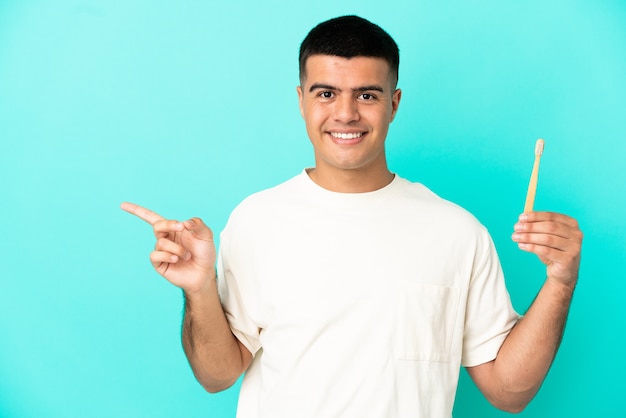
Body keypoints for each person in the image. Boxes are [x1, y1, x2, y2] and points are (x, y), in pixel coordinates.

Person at [121, 15, 583, 418]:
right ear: (301, 100)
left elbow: (508, 391)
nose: (345, 114)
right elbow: (217, 375)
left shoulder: (457, 231)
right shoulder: (257, 219)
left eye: (366, 95)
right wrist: (200, 291)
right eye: (326, 93)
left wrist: (560, 282)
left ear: (394, 103)